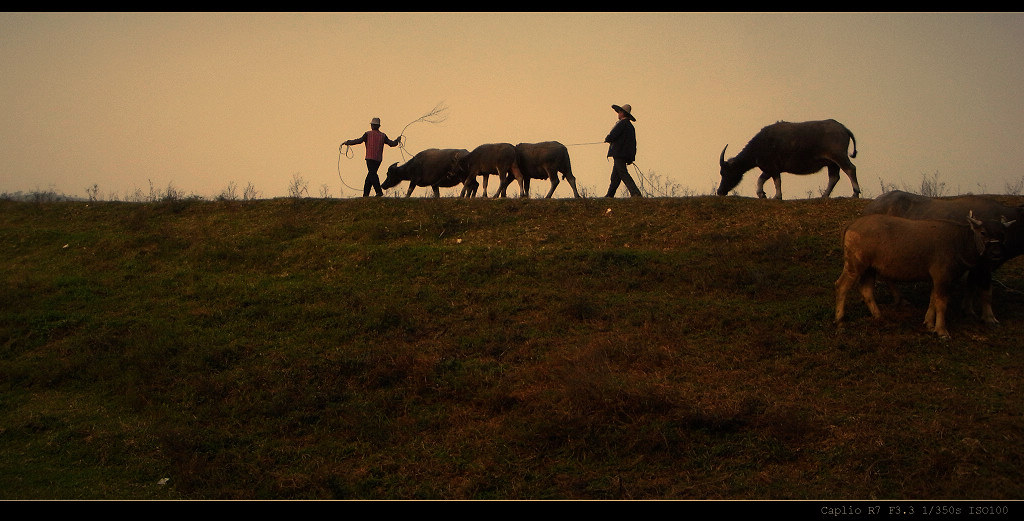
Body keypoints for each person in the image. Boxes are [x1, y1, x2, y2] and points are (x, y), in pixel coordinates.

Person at [341, 117, 401, 197]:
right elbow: (392, 144)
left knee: (372, 174)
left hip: (370, 158)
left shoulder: (367, 134)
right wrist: (397, 140)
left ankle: (379, 192)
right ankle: (366, 195)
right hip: (378, 159)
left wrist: (348, 142)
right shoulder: (383, 135)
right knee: (370, 175)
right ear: (379, 126)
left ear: (372, 125)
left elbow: (359, 141)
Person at [604, 103, 642, 198]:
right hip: (624, 155)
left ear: (622, 113)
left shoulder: (622, 124)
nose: (618, 114)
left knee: (623, 174)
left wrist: (608, 138)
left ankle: (635, 193)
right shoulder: (630, 126)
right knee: (615, 177)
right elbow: (632, 143)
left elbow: (613, 135)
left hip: (619, 154)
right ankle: (610, 195)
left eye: (619, 112)